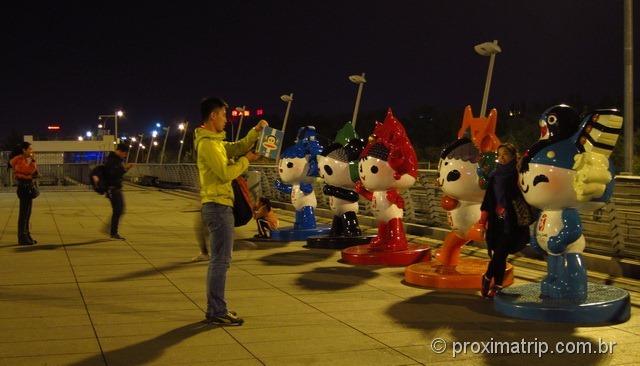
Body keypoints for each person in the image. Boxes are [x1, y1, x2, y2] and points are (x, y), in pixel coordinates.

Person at [195, 97, 267, 326]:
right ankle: (216, 311)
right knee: (220, 261)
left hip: (219, 204)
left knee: (220, 260)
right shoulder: (207, 144)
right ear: (213, 116)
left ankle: (216, 308)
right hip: (217, 206)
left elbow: (236, 148)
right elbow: (226, 174)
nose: (226, 119)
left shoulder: (214, 142)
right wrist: (246, 161)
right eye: (224, 115)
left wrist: (255, 132)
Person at [477, 143, 529, 298]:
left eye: (505, 154)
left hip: (512, 222)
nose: (501, 158)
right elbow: (488, 199)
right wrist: (482, 220)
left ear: (513, 156)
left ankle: (488, 278)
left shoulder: (518, 174)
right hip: (496, 221)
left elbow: (525, 195)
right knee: (499, 254)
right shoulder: (495, 175)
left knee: (500, 253)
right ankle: (497, 285)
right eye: (499, 155)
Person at [10, 142, 38, 245]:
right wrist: (33, 162)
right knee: (24, 214)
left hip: (27, 188)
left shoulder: (25, 159)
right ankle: (22, 237)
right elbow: (28, 171)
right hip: (24, 188)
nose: (31, 151)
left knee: (27, 213)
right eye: (30, 149)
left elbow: (33, 172)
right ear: (24, 150)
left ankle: (27, 235)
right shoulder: (19, 160)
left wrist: (32, 165)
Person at [104, 143, 134, 240]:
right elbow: (113, 174)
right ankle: (113, 232)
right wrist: (126, 168)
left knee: (119, 210)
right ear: (120, 151)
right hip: (113, 188)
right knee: (118, 210)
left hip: (115, 188)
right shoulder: (113, 160)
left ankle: (112, 230)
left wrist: (124, 169)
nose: (125, 156)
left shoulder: (114, 160)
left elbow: (117, 173)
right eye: (125, 154)